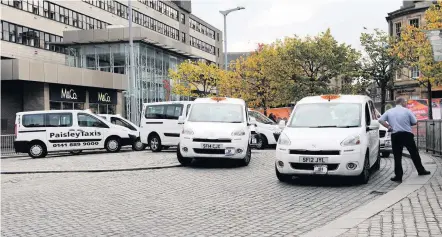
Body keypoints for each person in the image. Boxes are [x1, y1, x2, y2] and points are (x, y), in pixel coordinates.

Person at [378, 97, 431, 182]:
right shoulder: (407, 111)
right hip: (407, 135)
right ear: (402, 102)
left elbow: (380, 120)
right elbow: (414, 122)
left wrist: (388, 126)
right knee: (414, 153)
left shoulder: (389, 111)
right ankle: (421, 170)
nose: (406, 103)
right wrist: (406, 123)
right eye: (405, 102)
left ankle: (398, 176)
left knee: (397, 156)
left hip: (395, 135)